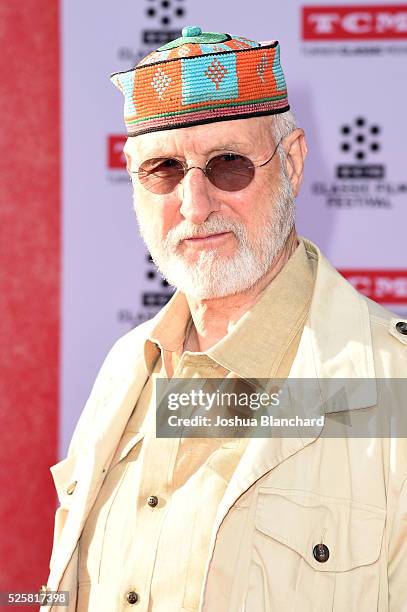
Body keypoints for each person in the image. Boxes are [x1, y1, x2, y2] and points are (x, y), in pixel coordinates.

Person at [41, 26, 407, 612]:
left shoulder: (394, 388)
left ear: (291, 164)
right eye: (163, 170)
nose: (194, 204)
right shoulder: (123, 369)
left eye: (228, 164)